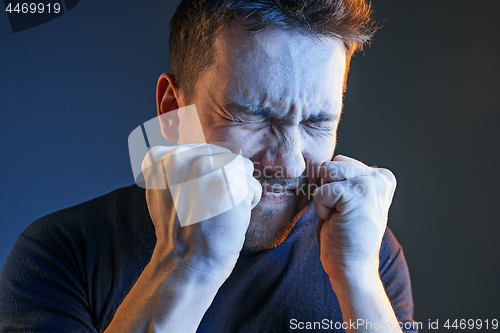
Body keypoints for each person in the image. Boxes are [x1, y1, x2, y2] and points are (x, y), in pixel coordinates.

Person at [0, 0, 418, 332]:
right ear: (171, 112)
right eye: (254, 115)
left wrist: (360, 282)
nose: (289, 160)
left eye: (316, 122)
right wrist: (186, 267)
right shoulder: (61, 254)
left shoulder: (370, 256)